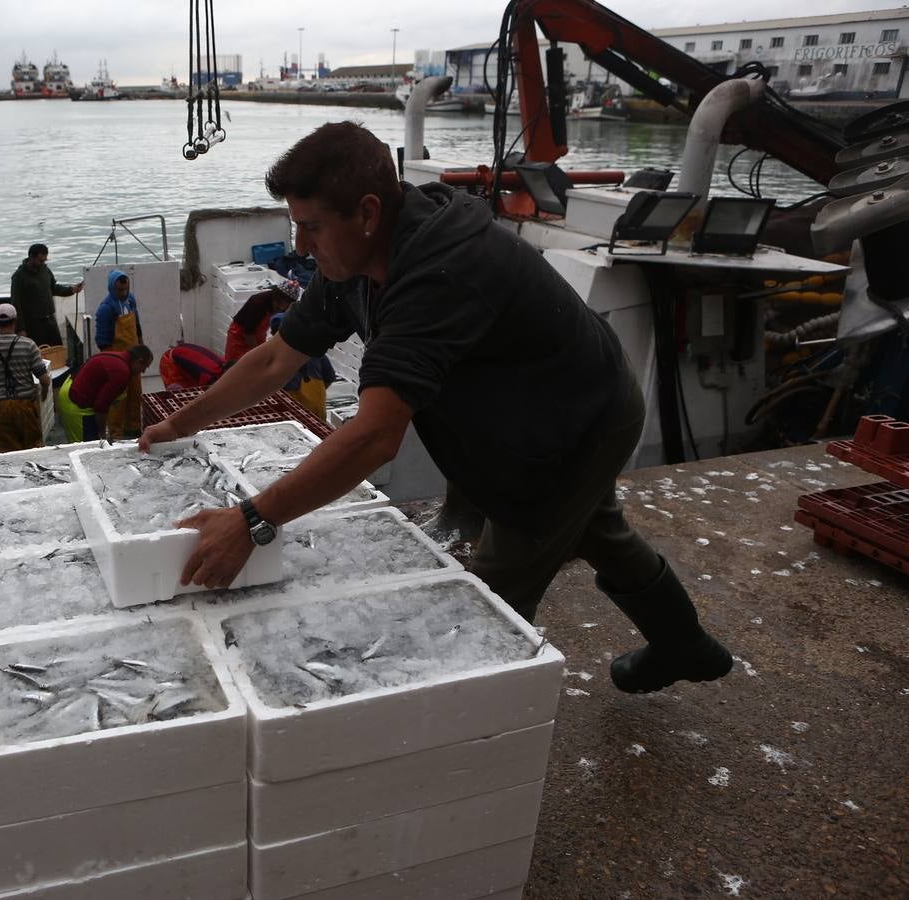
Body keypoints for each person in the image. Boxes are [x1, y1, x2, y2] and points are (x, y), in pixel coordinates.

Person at [140, 121, 732, 695]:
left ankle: (471, 752)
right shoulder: (352, 260)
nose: (301, 246)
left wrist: (252, 521)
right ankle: (686, 647)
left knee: (490, 599)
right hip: (521, 404)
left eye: (312, 228)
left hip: (574, 421)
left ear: (368, 213)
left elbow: (374, 437)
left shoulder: (437, 273)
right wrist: (181, 420)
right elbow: (275, 362)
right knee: (596, 530)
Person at [0, 303, 51, 452]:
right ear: (15, 321)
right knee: (34, 450)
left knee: (8, 454)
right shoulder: (29, 345)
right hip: (25, 406)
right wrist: (44, 394)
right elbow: (44, 380)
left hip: (0, 408)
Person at [57, 345, 153, 443]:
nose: (143, 371)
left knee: (94, 443)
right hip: (75, 400)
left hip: (71, 385)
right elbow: (101, 407)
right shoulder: (122, 371)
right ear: (139, 361)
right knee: (87, 447)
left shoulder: (118, 357)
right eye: (144, 367)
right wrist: (102, 434)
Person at [95, 270, 144, 436]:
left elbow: (137, 327)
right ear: (112, 288)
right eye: (119, 290)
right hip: (117, 361)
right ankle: (115, 434)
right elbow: (103, 342)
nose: (123, 293)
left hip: (134, 360)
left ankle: (134, 429)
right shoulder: (106, 309)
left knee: (135, 395)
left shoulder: (131, 300)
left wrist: (142, 351)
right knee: (118, 399)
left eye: (125, 289)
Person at [10, 243, 82, 347]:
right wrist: (20, 329)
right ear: (31, 257)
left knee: (57, 349)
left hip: (50, 321)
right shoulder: (19, 277)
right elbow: (16, 304)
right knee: (39, 352)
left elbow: (53, 288)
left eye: (44, 260)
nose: (42, 263)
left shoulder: (45, 270)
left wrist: (71, 289)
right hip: (33, 324)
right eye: (40, 260)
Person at [267, 312, 335, 420]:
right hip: (317, 409)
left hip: (292, 412)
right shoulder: (316, 350)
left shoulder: (275, 356)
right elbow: (330, 377)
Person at [224, 284, 295, 363]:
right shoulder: (258, 303)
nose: (280, 310)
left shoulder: (286, 307)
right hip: (239, 337)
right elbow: (248, 333)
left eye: (283, 309)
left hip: (259, 336)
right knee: (233, 366)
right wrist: (259, 354)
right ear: (274, 298)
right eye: (277, 308)